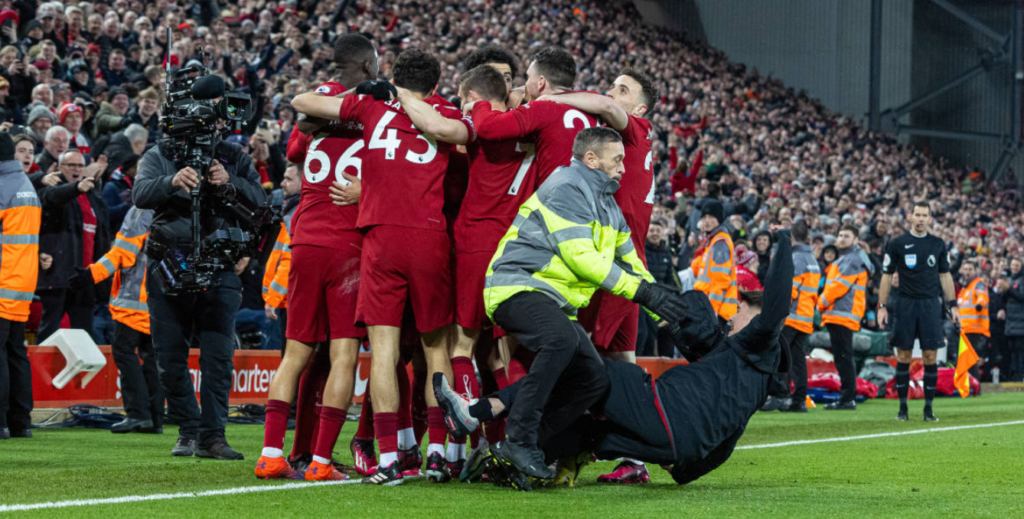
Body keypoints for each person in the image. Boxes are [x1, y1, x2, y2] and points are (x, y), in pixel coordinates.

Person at [436, 229, 795, 491]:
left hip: (665, 409)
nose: (731, 316)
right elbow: (730, 440)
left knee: (589, 373)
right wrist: (687, 470)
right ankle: (506, 458)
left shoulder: (763, 342)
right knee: (590, 433)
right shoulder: (754, 377)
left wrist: (783, 242)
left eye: (738, 309)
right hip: (676, 446)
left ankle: (476, 412)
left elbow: (777, 306)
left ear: (760, 321)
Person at [291, 47, 473, 486]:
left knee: (385, 353)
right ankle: (441, 454)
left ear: (394, 76)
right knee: (436, 352)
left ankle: (389, 459)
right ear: (435, 83)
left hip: (379, 238)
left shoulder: (372, 104)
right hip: (429, 235)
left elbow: (302, 101)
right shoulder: (447, 112)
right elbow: (463, 144)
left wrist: (374, 90)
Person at [471, 127, 686, 483]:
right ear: (591, 159)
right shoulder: (566, 186)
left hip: (552, 300)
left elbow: (634, 265)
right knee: (563, 342)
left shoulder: (608, 205)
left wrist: (669, 314)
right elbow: (582, 258)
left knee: (593, 378)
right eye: (617, 160)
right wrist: (643, 295)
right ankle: (519, 440)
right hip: (516, 285)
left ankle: (520, 450)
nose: (623, 168)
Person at [256, 34, 377, 483]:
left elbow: (292, 151)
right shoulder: (378, 110)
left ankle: (271, 455)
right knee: (344, 355)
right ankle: (322, 462)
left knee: (294, 353)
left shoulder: (318, 107)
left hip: (305, 239)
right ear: (369, 65)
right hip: (350, 247)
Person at [133, 104, 265, 460]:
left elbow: (260, 199)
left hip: (219, 266)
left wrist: (230, 181)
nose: (212, 128)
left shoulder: (234, 156)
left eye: (217, 121)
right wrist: (172, 181)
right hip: (168, 263)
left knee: (218, 358)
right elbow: (140, 195)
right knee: (169, 357)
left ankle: (213, 437)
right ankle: (188, 430)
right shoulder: (161, 153)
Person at [69, 206, 162, 434]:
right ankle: (155, 418)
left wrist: (92, 274)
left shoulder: (142, 210)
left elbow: (122, 252)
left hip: (135, 300)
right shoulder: (180, 205)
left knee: (124, 351)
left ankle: (138, 414)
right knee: (152, 359)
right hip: (163, 301)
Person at [467, 46, 598, 186]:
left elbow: (489, 128)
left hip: (560, 198)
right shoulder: (594, 105)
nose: (526, 84)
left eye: (528, 77)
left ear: (541, 82)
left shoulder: (542, 108)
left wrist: (479, 105)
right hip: (594, 198)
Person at [877, 202, 957, 421]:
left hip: (931, 305)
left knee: (930, 356)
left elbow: (945, 276)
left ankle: (928, 410)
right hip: (905, 304)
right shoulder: (898, 244)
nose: (921, 218)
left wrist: (953, 304)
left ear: (930, 219)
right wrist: (881, 306)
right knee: (903, 355)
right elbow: (886, 275)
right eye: (917, 214)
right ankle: (903, 410)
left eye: (925, 215)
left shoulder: (938, 244)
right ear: (910, 217)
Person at [35, 149, 110, 342]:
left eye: (79, 165)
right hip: (58, 273)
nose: (76, 169)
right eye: (71, 165)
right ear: (60, 168)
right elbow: (53, 196)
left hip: (84, 276)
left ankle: (79, 373)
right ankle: (41, 371)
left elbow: (101, 237)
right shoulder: (52, 189)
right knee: (49, 330)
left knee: (83, 335)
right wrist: (77, 187)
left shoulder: (92, 196)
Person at [0, 130, 40, 440]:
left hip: (2, 281)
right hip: (21, 283)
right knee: (16, 351)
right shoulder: (24, 185)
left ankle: (0, 422)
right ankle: (20, 421)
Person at [763, 220, 820, 412]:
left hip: (791, 317)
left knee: (778, 356)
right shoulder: (812, 260)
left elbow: (791, 291)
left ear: (792, 237)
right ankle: (798, 401)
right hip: (806, 317)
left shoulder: (796, 259)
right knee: (797, 359)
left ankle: (778, 396)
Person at [818, 224, 873, 411]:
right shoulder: (849, 258)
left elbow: (838, 287)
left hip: (842, 314)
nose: (841, 238)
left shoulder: (852, 259)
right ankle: (847, 396)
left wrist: (820, 302)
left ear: (856, 240)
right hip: (840, 315)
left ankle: (847, 398)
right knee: (843, 357)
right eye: (840, 235)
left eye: (846, 236)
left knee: (843, 357)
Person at [261, 164, 300, 351]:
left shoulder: (294, 215)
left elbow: (288, 260)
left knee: (290, 359)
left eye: (289, 179)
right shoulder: (289, 211)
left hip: (290, 301)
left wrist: (273, 298)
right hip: (287, 300)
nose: (282, 184)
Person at [691, 199, 739, 324]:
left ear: (719, 219)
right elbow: (696, 269)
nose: (706, 220)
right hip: (709, 306)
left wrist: (711, 313)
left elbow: (720, 281)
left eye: (711, 216)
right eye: (704, 217)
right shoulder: (713, 240)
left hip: (716, 310)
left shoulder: (720, 243)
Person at [957, 260, 989, 383]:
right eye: (965, 269)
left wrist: (980, 304)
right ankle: (971, 383)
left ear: (975, 271)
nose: (967, 272)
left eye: (970, 269)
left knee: (970, 357)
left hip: (974, 327)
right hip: (965, 328)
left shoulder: (978, 284)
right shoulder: (965, 287)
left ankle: (974, 384)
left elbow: (982, 296)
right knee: (967, 357)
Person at [1004, 258, 1024, 382]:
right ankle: (1014, 375)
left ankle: (1020, 375)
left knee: (1020, 350)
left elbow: (1022, 297)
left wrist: (1009, 289)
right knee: (1012, 350)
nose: (1014, 267)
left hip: (1021, 321)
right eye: (1013, 265)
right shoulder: (1009, 280)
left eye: (1017, 265)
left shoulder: (1022, 280)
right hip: (1010, 321)